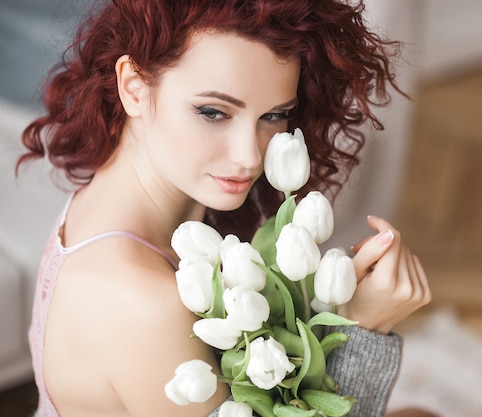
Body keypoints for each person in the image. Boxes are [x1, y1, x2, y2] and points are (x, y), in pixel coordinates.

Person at [17, 0, 431, 416]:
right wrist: (363, 330)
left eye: (273, 115)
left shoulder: (117, 201)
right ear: (133, 86)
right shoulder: (142, 301)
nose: (250, 155)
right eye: (213, 112)